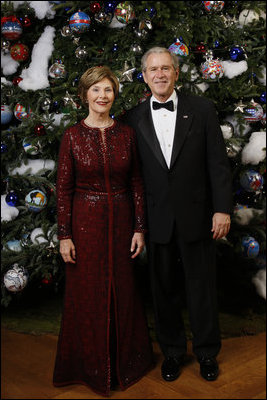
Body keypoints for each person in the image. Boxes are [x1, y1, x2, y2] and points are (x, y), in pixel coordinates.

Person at [123, 47, 232, 383]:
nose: (160, 74)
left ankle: (207, 353)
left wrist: (222, 209)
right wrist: (137, 224)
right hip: (157, 219)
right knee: (163, 290)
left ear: (176, 73)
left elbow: (217, 162)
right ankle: (171, 352)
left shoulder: (201, 109)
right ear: (144, 75)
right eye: (153, 69)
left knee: (201, 289)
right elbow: (132, 177)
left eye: (166, 68)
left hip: (198, 215)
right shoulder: (132, 118)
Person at [53, 66, 154, 397]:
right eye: (96, 90)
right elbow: (64, 188)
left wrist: (140, 227)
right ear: (85, 96)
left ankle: (127, 364)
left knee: (123, 290)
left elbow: (137, 181)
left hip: (123, 219)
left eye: (108, 90)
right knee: (88, 293)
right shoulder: (71, 136)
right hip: (85, 222)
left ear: (114, 95)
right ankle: (89, 368)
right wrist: (64, 234)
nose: (102, 96)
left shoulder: (126, 134)